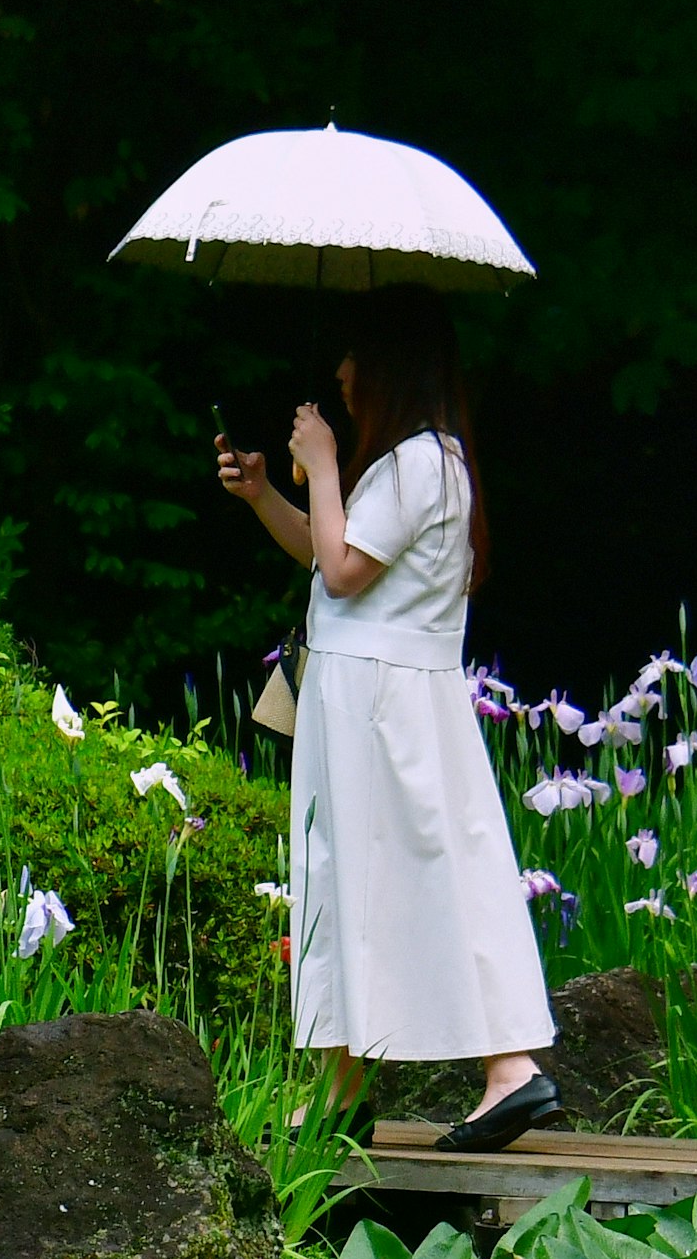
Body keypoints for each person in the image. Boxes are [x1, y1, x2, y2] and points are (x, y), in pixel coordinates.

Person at [216, 289, 560, 1151]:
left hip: (382, 705)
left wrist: (325, 462)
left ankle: (509, 1070)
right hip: (371, 697)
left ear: (390, 366)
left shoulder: (417, 463)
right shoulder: (420, 464)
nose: (340, 374)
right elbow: (332, 555)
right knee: (352, 881)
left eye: (354, 358)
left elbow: (340, 573)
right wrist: (267, 494)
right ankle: (344, 1081)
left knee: (415, 877)